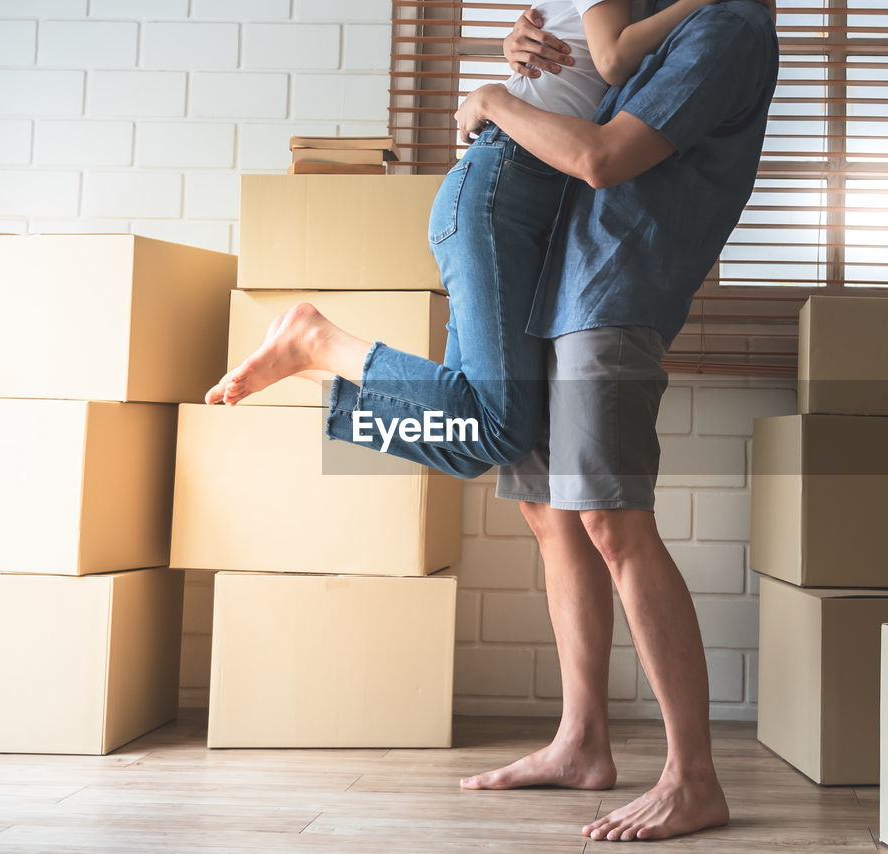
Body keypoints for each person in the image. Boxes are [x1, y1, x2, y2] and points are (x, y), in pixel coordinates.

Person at [213, 0, 779, 843]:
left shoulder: (726, 27)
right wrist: (525, 60)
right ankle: (582, 742)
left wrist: (494, 98)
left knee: (612, 522)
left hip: (614, 292)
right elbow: (597, 76)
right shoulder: (661, 25)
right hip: (564, 275)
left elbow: (603, 156)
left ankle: (693, 779)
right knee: (551, 515)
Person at [205, 0, 727, 482]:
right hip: (505, 186)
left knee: (469, 444)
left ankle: (325, 377)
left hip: (528, 193)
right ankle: (316, 343)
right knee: (500, 430)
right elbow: (612, 61)